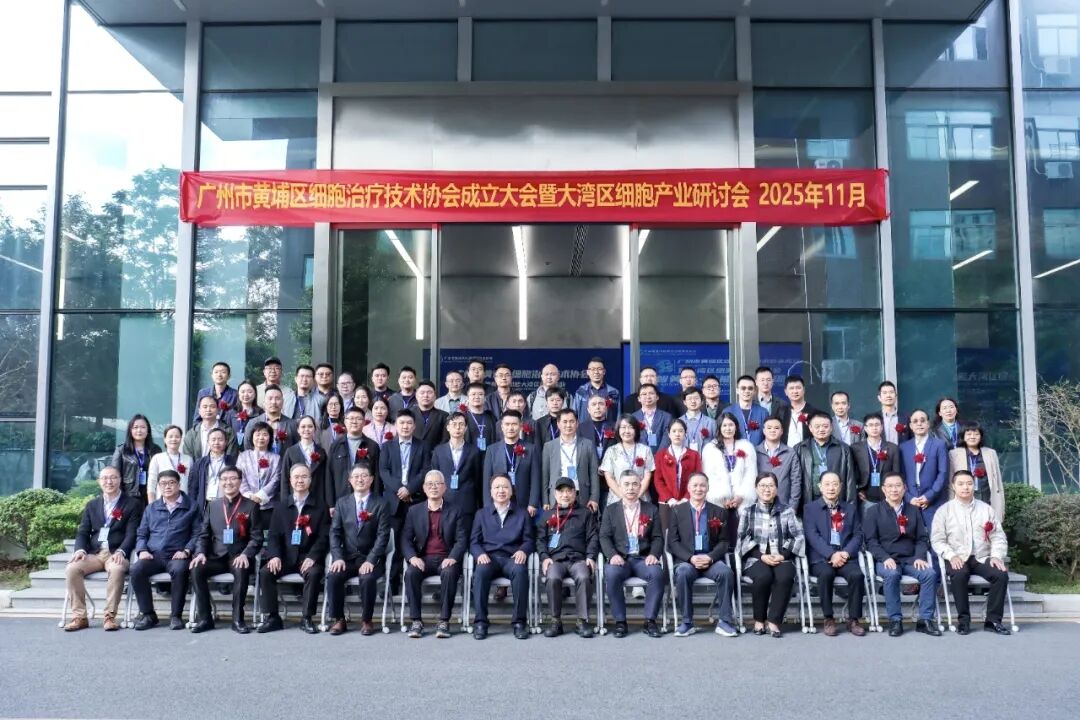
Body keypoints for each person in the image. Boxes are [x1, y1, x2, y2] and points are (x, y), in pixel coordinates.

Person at [931, 470, 1011, 635]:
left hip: (982, 556)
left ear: (974, 485)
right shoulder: (944, 511)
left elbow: (998, 536)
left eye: (969, 483)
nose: (965, 487)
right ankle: (964, 621)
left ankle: (993, 621)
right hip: (957, 556)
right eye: (960, 484)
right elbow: (937, 540)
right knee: (959, 575)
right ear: (953, 486)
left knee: (1001, 574)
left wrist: (996, 556)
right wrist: (951, 555)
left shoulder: (986, 509)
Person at [63, 466, 143, 631]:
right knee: (72, 568)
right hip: (95, 553)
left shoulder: (132, 504)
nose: (109, 481)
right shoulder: (92, 505)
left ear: (120, 480)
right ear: (99, 481)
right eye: (105, 478)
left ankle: (109, 617)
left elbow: (132, 533)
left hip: (116, 553)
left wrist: (122, 551)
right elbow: (83, 532)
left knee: (117, 569)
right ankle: (79, 617)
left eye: (113, 477)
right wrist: (80, 550)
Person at [864, 472, 940, 637]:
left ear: (904, 488)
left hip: (911, 558)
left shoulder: (913, 510)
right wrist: (885, 558)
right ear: (884, 489)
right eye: (890, 486)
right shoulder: (874, 511)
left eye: (898, 486)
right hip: (887, 559)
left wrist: (919, 556)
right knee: (892, 574)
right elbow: (871, 541)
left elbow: (922, 538)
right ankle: (895, 620)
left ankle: (925, 620)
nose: (894, 490)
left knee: (930, 574)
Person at [256, 464, 329, 634]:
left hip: (307, 557)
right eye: (296, 477)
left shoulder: (320, 506)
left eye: (304, 476)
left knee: (314, 573)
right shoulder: (281, 506)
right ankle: (273, 617)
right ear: (290, 480)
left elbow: (324, 537)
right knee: (265, 572)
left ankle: (307, 618)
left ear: (310, 480)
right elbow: (274, 535)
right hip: (285, 557)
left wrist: (313, 557)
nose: (300, 480)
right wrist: (274, 555)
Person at [189, 466, 263, 634]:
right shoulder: (212, 505)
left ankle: (237, 619)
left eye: (232, 478)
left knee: (241, 568)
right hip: (216, 557)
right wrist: (200, 553)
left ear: (240, 481)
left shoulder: (251, 506)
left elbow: (257, 537)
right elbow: (204, 535)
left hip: (239, 557)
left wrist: (246, 554)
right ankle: (205, 618)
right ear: (219, 482)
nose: (228, 482)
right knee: (196, 568)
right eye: (224, 479)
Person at [735, 472, 804, 638]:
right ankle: (759, 620)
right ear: (756, 488)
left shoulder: (787, 511)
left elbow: (798, 537)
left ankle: (774, 621)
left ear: (777, 489)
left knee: (785, 576)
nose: (767, 489)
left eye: (771, 486)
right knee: (763, 576)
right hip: (756, 558)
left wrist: (783, 555)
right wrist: (761, 555)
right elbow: (742, 539)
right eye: (763, 486)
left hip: (781, 557)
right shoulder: (748, 511)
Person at [669, 472, 738, 637]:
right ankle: (687, 622)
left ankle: (724, 621)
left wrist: (710, 557)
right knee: (683, 573)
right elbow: (673, 541)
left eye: (702, 485)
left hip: (711, 560)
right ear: (688, 488)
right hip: (688, 561)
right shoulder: (678, 511)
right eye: (695, 485)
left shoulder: (719, 512)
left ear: (708, 488)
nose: (698, 489)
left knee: (726, 572)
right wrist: (690, 558)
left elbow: (724, 542)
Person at [326, 463, 392, 635]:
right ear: (350, 480)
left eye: (364, 476)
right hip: (347, 558)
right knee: (333, 576)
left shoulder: (381, 504)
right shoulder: (342, 503)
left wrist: (371, 560)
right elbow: (335, 533)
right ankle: (339, 619)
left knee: (367, 578)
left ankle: (367, 620)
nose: (360, 479)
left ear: (371, 479)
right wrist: (338, 557)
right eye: (356, 476)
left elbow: (383, 536)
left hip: (371, 558)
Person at [130, 470, 200, 631]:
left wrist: (187, 550)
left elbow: (198, 533)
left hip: (178, 555)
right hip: (153, 555)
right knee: (136, 569)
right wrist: (142, 550)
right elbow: (142, 533)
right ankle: (148, 615)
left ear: (179, 484)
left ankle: (176, 616)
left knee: (180, 570)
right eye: (163, 484)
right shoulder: (151, 508)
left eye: (171, 483)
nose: (167, 487)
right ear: (158, 487)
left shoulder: (191, 506)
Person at [599, 470, 665, 638]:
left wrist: (654, 554)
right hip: (621, 559)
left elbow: (657, 537)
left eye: (635, 484)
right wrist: (612, 555)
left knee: (657, 573)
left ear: (640, 486)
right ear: (620, 487)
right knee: (611, 574)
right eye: (626, 484)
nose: (631, 488)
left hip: (643, 558)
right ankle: (620, 622)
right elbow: (604, 537)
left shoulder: (651, 509)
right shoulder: (610, 510)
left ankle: (650, 621)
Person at [403, 470, 468, 639]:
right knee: (410, 573)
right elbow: (406, 539)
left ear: (444, 487)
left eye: (437, 483)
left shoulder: (456, 510)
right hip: (423, 559)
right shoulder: (414, 511)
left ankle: (444, 621)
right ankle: (416, 621)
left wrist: (452, 557)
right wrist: (412, 557)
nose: (433, 487)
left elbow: (461, 540)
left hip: (447, 558)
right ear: (424, 488)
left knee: (449, 573)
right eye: (429, 484)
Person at [469, 475, 535, 640]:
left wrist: (523, 551)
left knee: (520, 571)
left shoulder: (522, 514)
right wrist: (480, 554)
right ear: (491, 492)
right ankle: (480, 622)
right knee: (480, 572)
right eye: (497, 487)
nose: (501, 490)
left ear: (511, 491)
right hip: (489, 558)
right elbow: (474, 541)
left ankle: (519, 622)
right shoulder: (481, 514)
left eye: (505, 487)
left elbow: (529, 540)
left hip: (512, 558)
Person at [803, 472, 866, 636]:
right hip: (821, 558)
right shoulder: (810, 509)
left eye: (835, 484)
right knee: (826, 574)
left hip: (845, 557)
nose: (831, 488)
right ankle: (828, 618)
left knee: (857, 575)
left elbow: (858, 534)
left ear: (841, 487)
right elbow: (812, 536)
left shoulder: (850, 508)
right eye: (827, 484)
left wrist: (845, 553)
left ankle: (853, 619)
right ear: (820, 487)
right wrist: (831, 554)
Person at [538, 478, 599, 638]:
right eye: (561, 491)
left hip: (578, 559)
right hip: (555, 560)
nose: (565, 495)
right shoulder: (547, 515)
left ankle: (582, 621)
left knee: (584, 576)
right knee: (552, 577)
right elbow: (540, 540)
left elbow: (593, 537)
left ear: (575, 493)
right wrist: (544, 557)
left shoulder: (585, 513)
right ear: (555, 494)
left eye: (569, 491)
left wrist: (591, 556)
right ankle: (555, 621)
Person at [701, 412, 757, 544]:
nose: (728, 428)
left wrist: (741, 496)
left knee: (742, 534)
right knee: (720, 533)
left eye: (731, 425)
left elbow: (751, 474)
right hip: (719, 499)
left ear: (736, 427)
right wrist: (723, 497)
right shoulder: (710, 448)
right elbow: (709, 475)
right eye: (724, 425)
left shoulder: (746, 446)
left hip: (742, 499)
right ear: (719, 428)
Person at [378, 410, 430, 543]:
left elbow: (425, 470)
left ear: (414, 426)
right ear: (395, 425)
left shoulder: (423, 446)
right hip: (393, 500)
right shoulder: (387, 447)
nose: (405, 426)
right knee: (393, 539)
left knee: (415, 538)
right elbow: (384, 471)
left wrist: (409, 489)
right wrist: (400, 489)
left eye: (409, 423)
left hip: (415, 498)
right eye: (402, 423)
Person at [795, 411, 858, 511]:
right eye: (817, 426)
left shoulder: (843, 448)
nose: (821, 429)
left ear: (831, 427)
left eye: (825, 426)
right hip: (809, 497)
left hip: (835, 497)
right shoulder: (800, 448)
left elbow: (850, 479)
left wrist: (851, 507)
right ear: (810, 428)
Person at [541, 409, 600, 513]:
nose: (568, 425)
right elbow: (545, 475)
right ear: (558, 424)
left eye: (572, 421)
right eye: (565, 422)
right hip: (557, 496)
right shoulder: (549, 446)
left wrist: (594, 498)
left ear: (577, 424)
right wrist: (545, 500)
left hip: (581, 495)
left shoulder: (588, 444)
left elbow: (594, 474)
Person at [482, 410, 541, 515]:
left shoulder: (531, 449)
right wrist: (488, 505)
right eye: (507, 424)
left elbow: (535, 478)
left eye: (514, 424)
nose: (510, 428)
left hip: (523, 502)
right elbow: (487, 480)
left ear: (520, 426)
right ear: (502, 426)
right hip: (499, 502)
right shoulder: (492, 450)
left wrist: (533, 503)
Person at [900, 409, 949, 530]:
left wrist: (929, 496)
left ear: (928, 424)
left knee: (935, 536)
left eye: (922, 421)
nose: (919, 424)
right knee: (912, 536)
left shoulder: (939, 445)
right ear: (911, 426)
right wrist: (909, 497)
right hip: (911, 500)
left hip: (934, 499)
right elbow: (900, 475)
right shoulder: (903, 447)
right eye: (915, 421)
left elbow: (943, 473)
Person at [325, 407, 381, 511]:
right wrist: (331, 504)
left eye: (358, 419)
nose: (354, 422)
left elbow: (377, 476)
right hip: (341, 500)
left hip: (366, 502)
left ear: (364, 422)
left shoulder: (372, 446)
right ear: (345, 421)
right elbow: (329, 475)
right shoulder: (336, 446)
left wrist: (375, 502)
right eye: (350, 418)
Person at [652, 419, 702, 534]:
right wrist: (669, 499)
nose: (677, 434)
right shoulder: (660, 455)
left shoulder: (694, 455)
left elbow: (698, 479)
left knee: (686, 533)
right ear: (669, 434)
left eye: (680, 431)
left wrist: (686, 498)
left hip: (689, 501)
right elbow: (658, 480)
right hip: (666, 502)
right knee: (667, 533)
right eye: (674, 431)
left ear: (685, 433)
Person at [431, 411, 483, 519]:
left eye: (461, 424)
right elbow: (435, 477)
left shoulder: (474, 451)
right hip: (444, 502)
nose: (458, 428)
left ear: (466, 428)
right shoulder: (438, 451)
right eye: (454, 424)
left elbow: (478, 479)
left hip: (467, 504)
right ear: (448, 427)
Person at [949, 421, 1004, 522]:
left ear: (981, 436)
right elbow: (950, 482)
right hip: (964, 499)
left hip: (986, 497)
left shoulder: (991, 453)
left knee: (986, 527)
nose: (972, 437)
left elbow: (998, 482)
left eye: (976, 434)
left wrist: (1000, 505)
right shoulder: (954, 454)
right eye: (969, 434)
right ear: (963, 436)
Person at [600, 414, 655, 505]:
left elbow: (647, 476)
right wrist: (623, 497)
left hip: (641, 498)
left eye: (630, 427)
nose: (627, 431)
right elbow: (609, 477)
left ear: (636, 430)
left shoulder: (645, 450)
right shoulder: (611, 451)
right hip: (617, 499)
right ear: (618, 430)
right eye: (623, 427)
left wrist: (636, 497)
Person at [852, 412, 900, 511]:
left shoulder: (892, 448)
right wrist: (857, 490)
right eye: (870, 425)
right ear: (865, 428)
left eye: (877, 425)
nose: (874, 428)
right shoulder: (856, 448)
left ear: (882, 427)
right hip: (865, 497)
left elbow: (897, 473)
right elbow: (852, 473)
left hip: (887, 497)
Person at [236, 421, 281, 525]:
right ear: (252, 437)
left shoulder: (276, 458)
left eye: (265, 434)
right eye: (258, 434)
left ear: (270, 438)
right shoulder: (243, 456)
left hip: (269, 506)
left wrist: (260, 496)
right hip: (247, 504)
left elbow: (276, 480)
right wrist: (249, 496)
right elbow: (239, 477)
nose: (261, 438)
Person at [111, 414, 161, 502]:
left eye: (143, 427)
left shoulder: (156, 450)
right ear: (130, 430)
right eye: (135, 427)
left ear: (148, 430)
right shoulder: (121, 450)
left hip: (150, 497)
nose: (139, 430)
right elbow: (114, 475)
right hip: (128, 497)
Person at [756, 416, 801, 510]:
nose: (773, 430)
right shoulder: (755, 452)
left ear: (782, 431)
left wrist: (792, 507)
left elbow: (796, 481)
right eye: (769, 428)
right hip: (759, 505)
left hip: (783, 505)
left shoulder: (790, 453)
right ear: (763, 431)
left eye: (776, 428)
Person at [280, 415, 326, 503]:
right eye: (303, 427)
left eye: (310, 426)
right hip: (296, 498)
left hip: (317, 497)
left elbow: (325, 478)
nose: (306, 429)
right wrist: (285, 502)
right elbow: (285, 478)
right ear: (298, 430)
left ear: (315, 429)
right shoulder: (290, 451)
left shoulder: (321, 452)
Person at [187, 428, 235, 510]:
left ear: (226, 442)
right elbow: (193, 488)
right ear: (208, 442)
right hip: (204, 505)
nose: (216, 443)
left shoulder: (233, 462)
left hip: (226, 505)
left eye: (220, 440)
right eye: (213, 439)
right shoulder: (200, 463)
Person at [245, 385, 299, 453]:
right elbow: (247, 447)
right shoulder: (252, 423)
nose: (273, 402)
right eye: (270, 398)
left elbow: (296, 449)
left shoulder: (292, 424)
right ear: (264, 402)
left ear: (283, 402)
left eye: (277, 399)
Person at [147, 425, 193, 502]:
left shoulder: (188, 459)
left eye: (177, 436)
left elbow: (191, 485)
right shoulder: (157, 458)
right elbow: (151, 484)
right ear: (165, 439)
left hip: (183, 503)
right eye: (170, 436)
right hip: (162, 503)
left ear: (181, 439)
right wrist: (151, 504)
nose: (174, 439)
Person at [184, 394, 239, 459]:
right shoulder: (191, 434)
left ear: (218, 410)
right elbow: (187, 459)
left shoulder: (228, 432)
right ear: (199, 411)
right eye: (205, 407)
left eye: (212, 406)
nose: (208, 410)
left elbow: (231, 458)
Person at [721, 375, 768, 447]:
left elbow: (767, 437)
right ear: (737, 390)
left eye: (750, 388)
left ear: (755, 391)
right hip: (735, 451)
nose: (747, 391)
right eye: (743, 388)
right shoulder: (727, 411)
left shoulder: (763, 412)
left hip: (758, 452)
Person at [572, 357, 620, 423]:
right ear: (588, 372)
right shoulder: (581, 392)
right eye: (593, 369)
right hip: (584, 428)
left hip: (607, 429)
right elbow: (574, 414)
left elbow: (618, 415)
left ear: (604, 372)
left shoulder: (613, 392)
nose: (596, 372)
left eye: (599, 369)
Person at [774, 375, 816, 447]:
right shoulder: (781, 411)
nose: (795, 391)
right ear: (786, 392)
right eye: (791, 388)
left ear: (804, 390)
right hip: (785, 452)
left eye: (798, 388)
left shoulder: (813, 412)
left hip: (806, 451)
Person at [578, 394, 617, 471]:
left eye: (601, 404)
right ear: (588, 409)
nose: (597, 407)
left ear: (606, 408)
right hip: (589, 470)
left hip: (611, 470)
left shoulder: (615, 426)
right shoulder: (580, 428)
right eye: (594, 404)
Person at [191, 361, 237, 427]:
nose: (219, 375)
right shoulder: (203, 393)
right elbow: (197, 417)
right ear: (212, 375)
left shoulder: (235, 394)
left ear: (229, 376)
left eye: (223, 372)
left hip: (227, 430)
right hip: (207, 430)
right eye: (216, 372)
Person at [633, 383, 672, 454]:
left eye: (651, 393)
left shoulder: (667, 417)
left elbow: (666, 439)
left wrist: (658, 457)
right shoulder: (633, 417)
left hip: (660, 456)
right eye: (644, 394)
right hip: (639, 456)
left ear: (657, 397)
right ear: (639, 399)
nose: (648, 397)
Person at [411, 380, 448, 455]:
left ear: (435, 396)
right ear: (416, 396)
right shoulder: (408, 414)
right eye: (422, 392)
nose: (426, 395)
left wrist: (435, 454)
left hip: (435, 456)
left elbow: (445, 440)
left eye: (429, 392)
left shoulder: (444, 416)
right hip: (412, 455)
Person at [462, 382, 498, 453]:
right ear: (467, 398)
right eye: (473, 394)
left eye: (480, 394)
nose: (477, 397)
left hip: (489, 456)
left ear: (485, 398)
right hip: (469, 457)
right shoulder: (463, 417)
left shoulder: (491, 417)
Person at [682, 387, 719, 453]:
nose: (693, 401)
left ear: (702, 402)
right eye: (689, 398)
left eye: (696, 398)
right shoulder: (679, 423)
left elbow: (717, 444)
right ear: (684, 402)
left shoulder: (711, 423)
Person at [878, 380, 914, 445]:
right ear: (879, 398)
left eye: (891, 392)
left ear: (896, 396)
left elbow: (912, 439)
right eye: (885, 393)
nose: (888, 395)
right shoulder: (874, 418)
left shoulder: (906, 418)